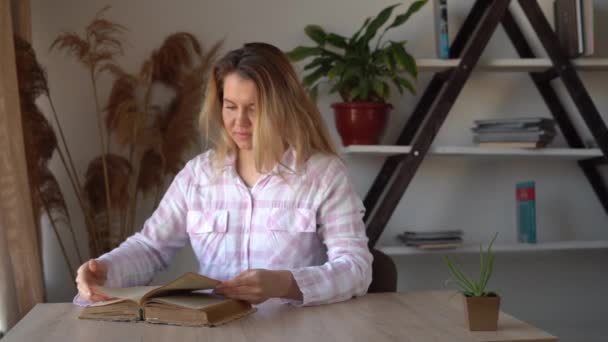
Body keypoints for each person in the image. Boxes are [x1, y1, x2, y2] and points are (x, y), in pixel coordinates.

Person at [75, 42, 373, 306]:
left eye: (254, 109)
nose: (239, 122)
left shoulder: (324, 175)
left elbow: (356, 268)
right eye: (230, 107)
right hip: (216, 330)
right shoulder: (197, 176)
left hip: (297, 332)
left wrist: (284, 283)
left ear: (283, 108)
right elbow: (151, 247)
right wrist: (105, 269)